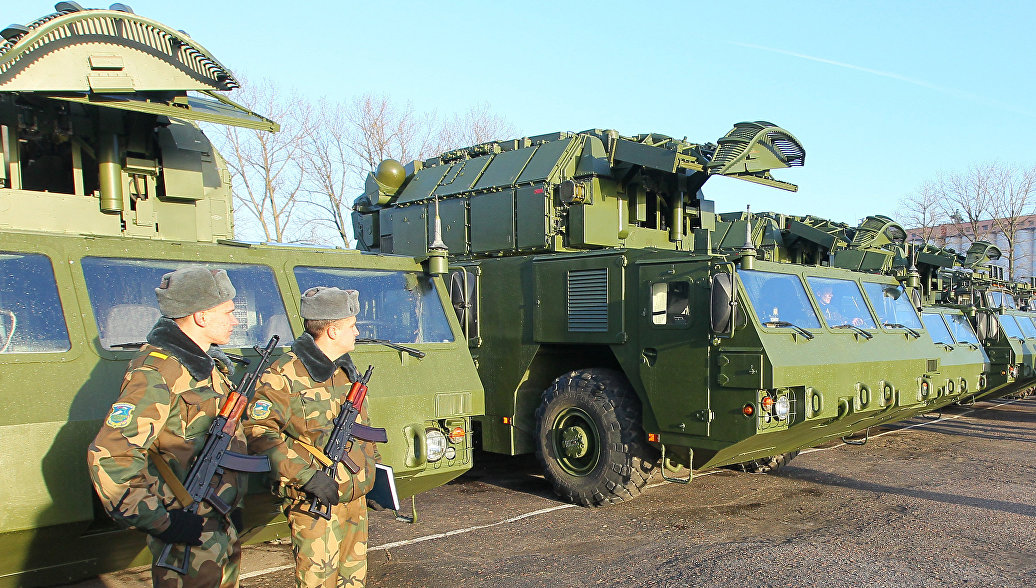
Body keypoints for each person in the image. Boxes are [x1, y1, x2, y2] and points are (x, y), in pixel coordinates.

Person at [87, 267, 245, 588]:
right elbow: (111, 455)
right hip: (185, 527)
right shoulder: (158, 370)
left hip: (216, 521)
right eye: (228, 312)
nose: (235, 320)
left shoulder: (206, 365)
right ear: (201, 316)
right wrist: (162, 522)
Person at [245, 287, 377, 588]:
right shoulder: (283, 374)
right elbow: (258, 432)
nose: (357, 332)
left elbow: (362, 430)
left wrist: (372, 475)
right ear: (332, 330)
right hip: (314, 500)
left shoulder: (347, 372)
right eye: (351, 325)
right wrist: (306, 477)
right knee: (318, 582)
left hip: (352, 498)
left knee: (353, 581)